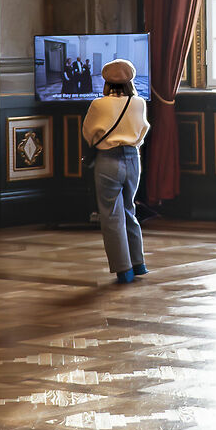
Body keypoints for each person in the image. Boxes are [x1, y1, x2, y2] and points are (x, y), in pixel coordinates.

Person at [82, 58, 149, 284]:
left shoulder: (98, 105)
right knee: (129, 209)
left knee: (111, 216)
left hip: (107, 161)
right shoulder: (138, 102)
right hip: (132, 159)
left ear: (107, 82)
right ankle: (139, 263)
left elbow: (88, 133)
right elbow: (143, 129)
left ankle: (124, 270)